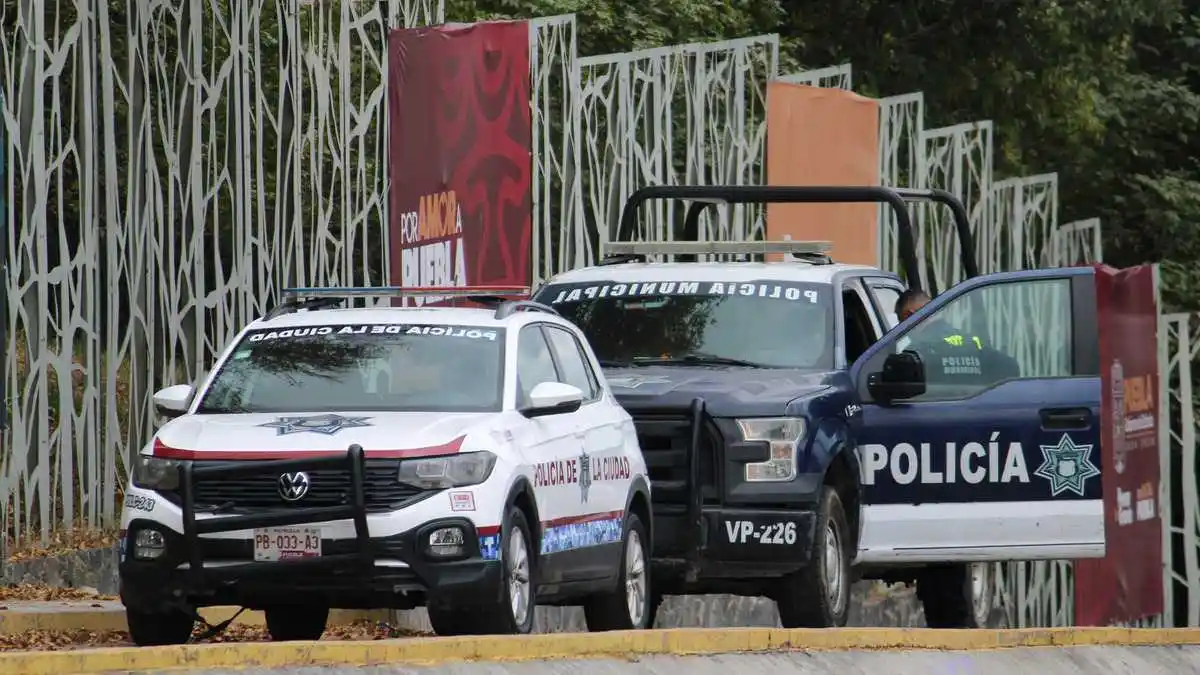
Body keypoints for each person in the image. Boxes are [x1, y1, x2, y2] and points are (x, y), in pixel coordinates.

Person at [894, 289, 1021, 384]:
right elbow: (1011, 367)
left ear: (908, 317)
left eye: (902, 324)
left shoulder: (916, 353)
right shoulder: (973, 342)